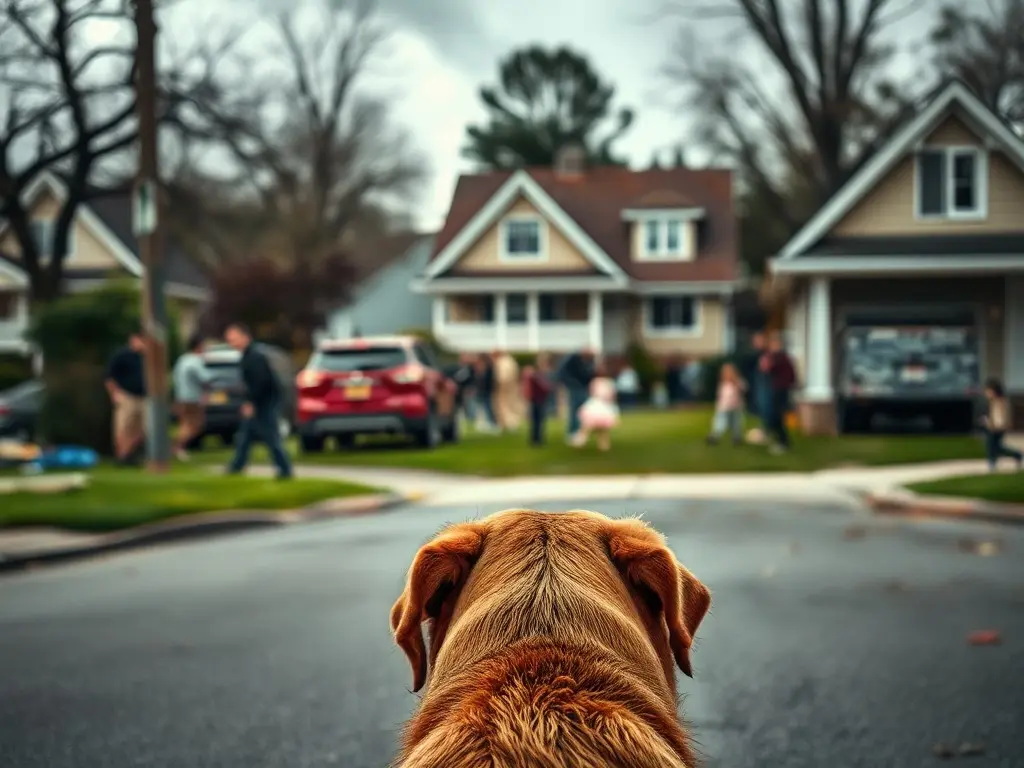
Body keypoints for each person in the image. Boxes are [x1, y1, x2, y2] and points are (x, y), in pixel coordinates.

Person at [224, 323, 292, 479]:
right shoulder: (248, 356)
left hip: (265, 402)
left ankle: (284, 469)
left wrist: (251, 402)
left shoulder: (255, 357)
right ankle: (237, 466)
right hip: (259, 401)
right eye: (229, 340)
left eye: (234, 339)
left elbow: (261, 383)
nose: (231, 343)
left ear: (245, 337)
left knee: (270, 436)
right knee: (245, 435)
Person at [105, 331, 148, 465]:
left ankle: (128, 453)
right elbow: (109, 377)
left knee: (141, 429)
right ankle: (122, 455)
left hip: (142, 397)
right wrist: (114, 394)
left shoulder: (145, 358)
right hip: (126, 395)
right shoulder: (122, 356)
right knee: (124, 427)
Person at [171, 333, 211, 461]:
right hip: (193, 398)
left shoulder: (182, 359)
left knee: (184, 424)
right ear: (199, 347)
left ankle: (178, 449)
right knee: (195, 425)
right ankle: (175, 447)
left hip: (181, 397)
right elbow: (206, 378)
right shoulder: (196, 361)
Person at [763, 332, 798, 455]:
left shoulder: (780, 357)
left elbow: (768, 368)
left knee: (776, 415)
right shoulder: (782, 357)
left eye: (774, 343)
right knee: (775, 415)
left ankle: (783, 442)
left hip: (780, 389)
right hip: (779, 387)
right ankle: (779, 439)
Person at [572, 363, 619, 451]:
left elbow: (592, 393)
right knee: (601, 428)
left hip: (597, 404)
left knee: (588, 425)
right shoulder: (608, 382)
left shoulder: (596, 382)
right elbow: (612, 396)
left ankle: (582, 440)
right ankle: (603, 445)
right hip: (603, 405)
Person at [981, 378, 1022, 472]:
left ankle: (992, 463)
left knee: (992, 446)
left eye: (988, 391)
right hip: (993, 427)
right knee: (996, 446)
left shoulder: (1001, 401)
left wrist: (1000, 424)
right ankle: (1016, 455)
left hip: (998, 428)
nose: (987, 393)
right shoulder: (993, 402)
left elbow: (1002, 416)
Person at [556, 347, 594, 441]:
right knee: (575, 410)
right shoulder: (573, 360)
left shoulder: (589, 362)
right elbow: (562, 373)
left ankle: (581, 432)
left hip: (583, 387)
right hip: (574, 387)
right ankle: (573, 432)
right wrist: (571, 383)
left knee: (583, 410)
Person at [706, 362, 746, 446]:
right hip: (724, 407)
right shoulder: (723, 384)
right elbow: (720, 397)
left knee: (736, 422)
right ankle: (715, 435)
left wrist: (736, 383)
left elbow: (743, 389)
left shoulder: (738, 382)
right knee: (720, 422)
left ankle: (737, 437)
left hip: (736, 407)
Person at [523, 354, 554, 446]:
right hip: (537, 399)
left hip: (539, 399)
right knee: (537, 421)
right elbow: (545, 387)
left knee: (538, 421)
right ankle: (536, 439)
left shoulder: (539, 374)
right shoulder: (536, 375)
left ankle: (537, 439)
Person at [492, 349, 522, 431]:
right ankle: (509, 424)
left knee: (506, 407)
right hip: (511, 388)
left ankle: (509, 424)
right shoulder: (510, 361)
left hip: (505, 389)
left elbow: (503, 378)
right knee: (510, 406)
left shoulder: (503, 362)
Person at [451, 353, 477, 426]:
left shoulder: (470, 369)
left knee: (469, 406)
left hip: (467, 390)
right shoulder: (457, 368)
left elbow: (472, 379)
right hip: (458, 391)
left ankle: (471, 421)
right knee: (458, 407)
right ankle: (466, 420)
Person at [474, 354, 497, 432]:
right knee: (481, 408)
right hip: (481, 391)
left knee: (488, 408)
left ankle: (492, 423)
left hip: (487, 391)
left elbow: (490, 382)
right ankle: (483, 423)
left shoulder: (489, 370)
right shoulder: (479, 370)